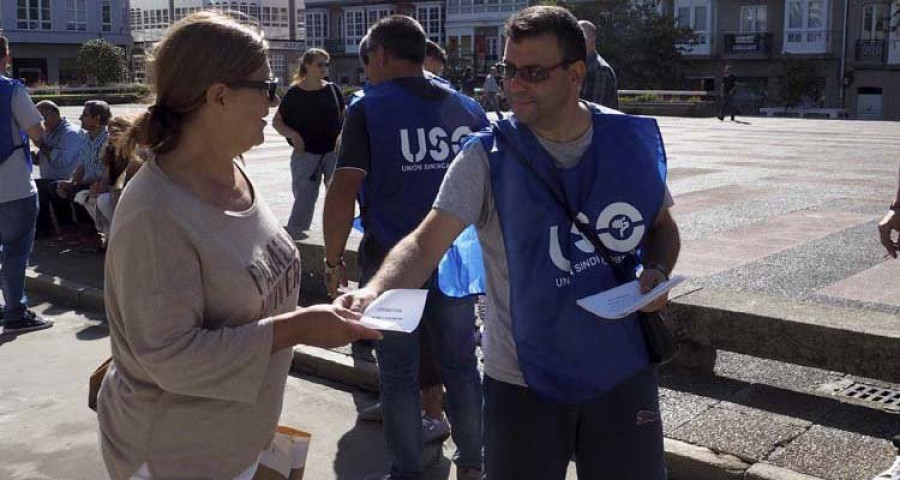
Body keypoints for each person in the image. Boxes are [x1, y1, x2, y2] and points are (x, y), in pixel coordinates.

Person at [335, 6, 680, 479]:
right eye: (508, 70)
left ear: (576, 73)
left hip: (620, 368)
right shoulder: (484, 155)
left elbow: (662, 226)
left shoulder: (625, 142)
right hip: (522, 379)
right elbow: (424, 243)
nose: (514, 85)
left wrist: (657, 272)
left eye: (533, 73)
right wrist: (374, 291)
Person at [96, 12, 380, 480]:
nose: (273, 101)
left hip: (238, 442)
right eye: (266, 86)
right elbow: (171, 358)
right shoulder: (154, 213)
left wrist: (325, 309)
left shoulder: (232, 168)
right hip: (176, 457)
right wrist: (297, 328)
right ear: (219, 96)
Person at [323, 15, 487, 480]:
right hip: (457, 261)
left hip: (393, 263)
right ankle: (475, 462)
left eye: (366, 61)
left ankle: (408, 471)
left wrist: (333, 261)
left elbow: (342, 193)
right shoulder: (468, 108)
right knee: (461, 367)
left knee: (398, 377)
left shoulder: (368, 108)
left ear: (381, 55)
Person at [0, 35, 51, 335]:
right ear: (5, 56)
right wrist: (41, 139)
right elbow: (36, 130)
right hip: (13, 185)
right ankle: (16, 311)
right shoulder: (11, 89)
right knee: (16, 251)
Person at [273, 48, 345, 236]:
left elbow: (344, 117)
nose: (324, 68)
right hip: (305, 155)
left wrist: (342, 136)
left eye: (326, 64)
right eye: (320, 64)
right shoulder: (294, 93)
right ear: (307, 65)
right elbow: (277, 122)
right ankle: (297, 241)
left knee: (338, 199)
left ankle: (337, 238)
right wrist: (294, 136)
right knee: (304, 201)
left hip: (332, 154)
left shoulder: (332, 89)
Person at [72, 116, 141, 250]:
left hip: (129, 191)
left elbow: (127, 177)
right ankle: (110, 234)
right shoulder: (110, 152)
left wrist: (113, 191)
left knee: (104, 200)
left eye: (115, 132)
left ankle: (116, 235)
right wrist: (98, 187)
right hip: (113, 190)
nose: (112, 136)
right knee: (87, 196)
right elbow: (106, 177)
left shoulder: (135, 152)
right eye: (110, 132)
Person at [50, 100, 111, 244]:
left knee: (78, 192)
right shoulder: (86, 137)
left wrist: (77, 184)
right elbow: (82, 165)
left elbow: (103, 172)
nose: (80, 118)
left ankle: (90, 234)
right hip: (86, 181)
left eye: (85, 115)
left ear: (97, 118)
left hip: (101, 183)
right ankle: (69, 230)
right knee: (55, 187)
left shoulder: (107, 139)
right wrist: (72, 182)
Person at [33, 100, 83, 239]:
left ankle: (44, 229)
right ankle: (44, 228)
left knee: (38, 186)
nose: (41, 123)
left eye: (42, 118)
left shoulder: (70, 133)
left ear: (53, 114)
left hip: (67, 179)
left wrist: (42, 145)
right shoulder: (50, 132)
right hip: (52, 178)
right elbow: (45, 158)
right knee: (34, 185)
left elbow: (62, 162)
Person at [578, 20, 618, 109]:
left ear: (592, 38)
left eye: (580, 35)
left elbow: (595, 111)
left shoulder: (600, 70)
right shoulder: (580, 66)